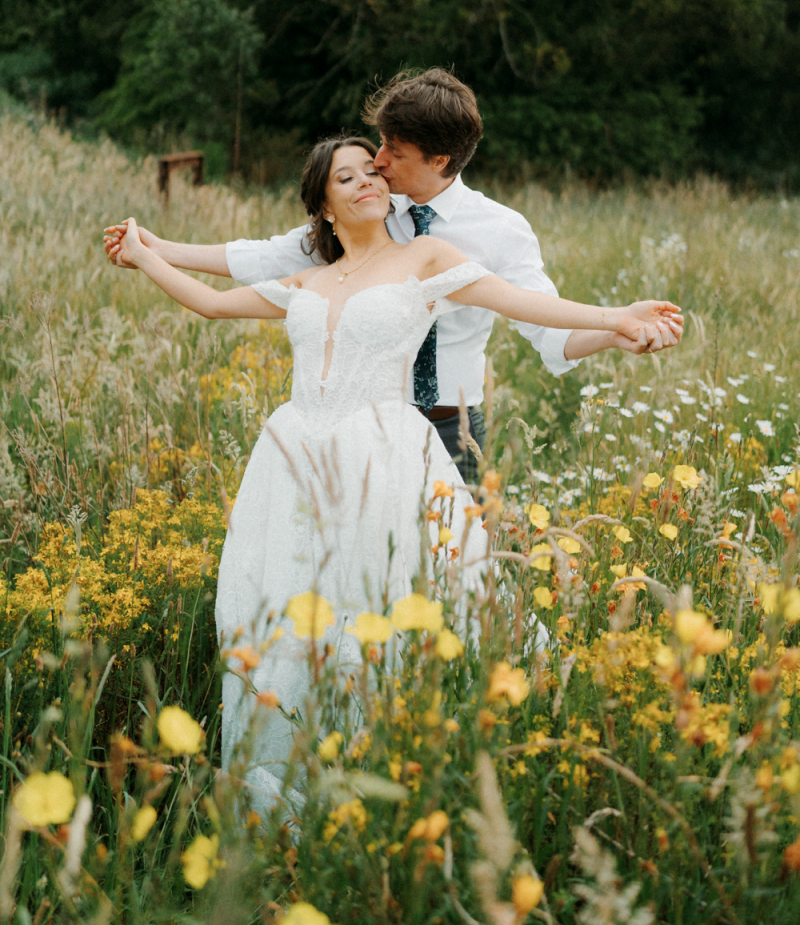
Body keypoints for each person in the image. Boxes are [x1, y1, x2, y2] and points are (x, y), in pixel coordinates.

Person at [107, 134, 682, 808]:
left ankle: (389, 760)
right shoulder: (309, 280)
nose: (368, 181)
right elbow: (210, 303)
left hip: (383, 454)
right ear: (324, 206)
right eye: (347, 177)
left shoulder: (426, 256)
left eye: (371, 172)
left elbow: (518, 302)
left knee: (379, 600)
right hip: (294, 459)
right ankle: (294, 767)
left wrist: (617, 319)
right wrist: (144, 254)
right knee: (294, 603)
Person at [104, 69, 682, 481]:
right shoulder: (371, 210)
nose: (377, 161)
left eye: (394, 151)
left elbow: (549, 331)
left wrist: (616, 331)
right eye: (379, 144)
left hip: (453, 426)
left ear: (440, 160)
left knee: (455, 574)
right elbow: (269, 257)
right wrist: (158, 248)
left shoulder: (501, 231)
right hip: (367, 421)